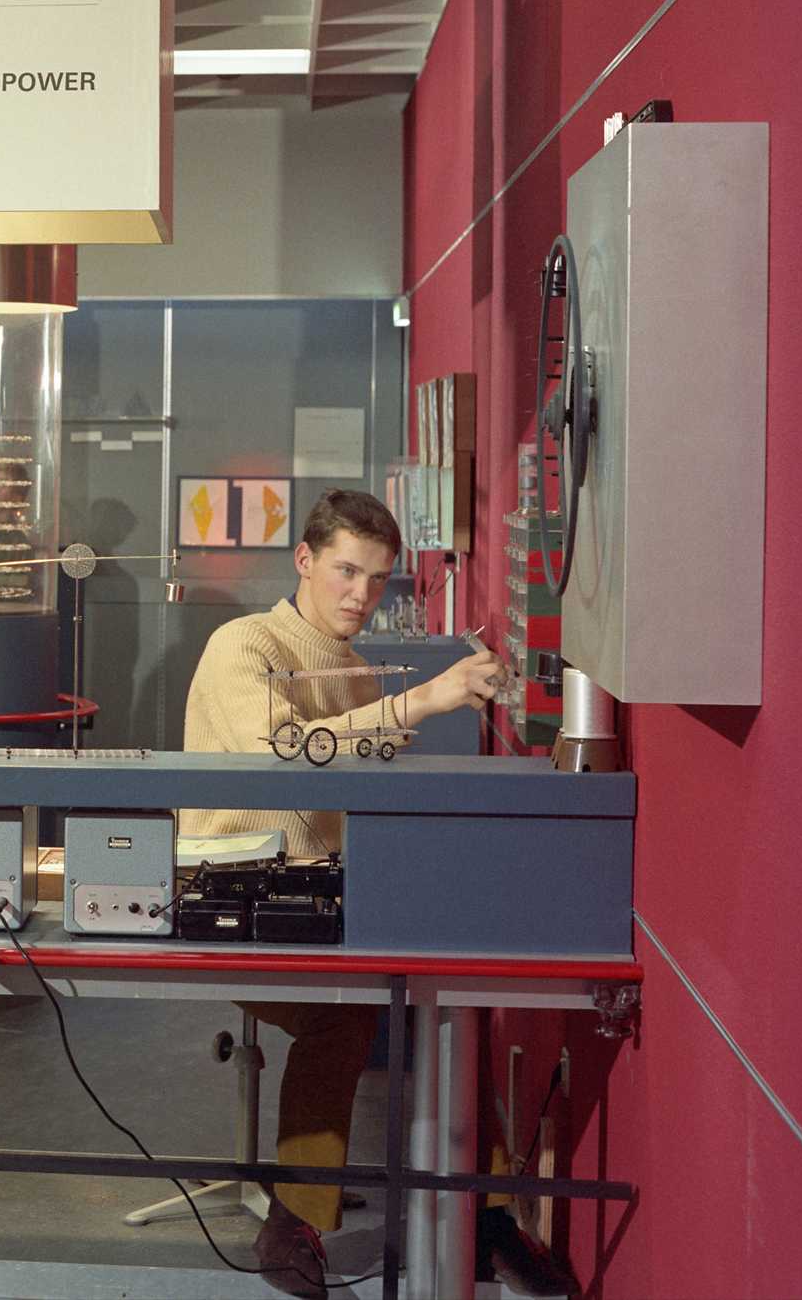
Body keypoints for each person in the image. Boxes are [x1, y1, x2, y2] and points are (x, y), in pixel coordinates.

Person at [182, 489, 512, 1300]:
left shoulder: (357, 667)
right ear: (303, 560)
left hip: (324, 901)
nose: (360, 594)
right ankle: (293, 1224)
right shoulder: (243, 644)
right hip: (234, 903)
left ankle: (490, 1217)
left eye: (377, 578)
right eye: (345, 571)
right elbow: (286, 752)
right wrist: (426, 699)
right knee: (345, 1009)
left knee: (449, 992)